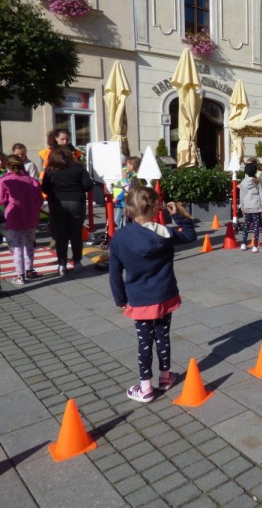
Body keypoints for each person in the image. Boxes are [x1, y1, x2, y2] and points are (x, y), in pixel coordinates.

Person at [109, 187, 196, 402]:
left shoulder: (120, 237)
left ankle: (145, 387)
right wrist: (178, 215)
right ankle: (165, 377)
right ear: (156, 208)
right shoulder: (164, 233)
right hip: (165, 294)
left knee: (144, 342)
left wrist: (120, 298)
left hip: (140, 298)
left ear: (129, 209)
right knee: (163, 336)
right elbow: (190, 235)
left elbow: (114, 272)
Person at [41, 145, 94, 275]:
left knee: (60, 235)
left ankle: (62, 263)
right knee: (76, 234)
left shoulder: (50, 170)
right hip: (76, 202)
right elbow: (88, 185)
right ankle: (77, 262)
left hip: (57, 203)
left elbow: (44, 188)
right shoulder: (78, 168)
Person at [0, 155, 44, 285]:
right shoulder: (32, 180)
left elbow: (1, 200)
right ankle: (29, 270)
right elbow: (40, 199)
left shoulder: (5, 180)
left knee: (17, 246)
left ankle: (20, 275)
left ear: (8, 166)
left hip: (15, 216)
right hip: (31, 216)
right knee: (29, 244)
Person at [238, 158, 262, 252]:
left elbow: (241, 196)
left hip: (247, 207)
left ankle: (243, 244)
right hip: (256, 207)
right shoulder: (258, 181)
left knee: (246, 225)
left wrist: (242, 207)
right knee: (256, 226)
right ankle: (255, 246)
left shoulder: (243, 182)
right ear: (255, 171)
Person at [111, 156, 141, 229]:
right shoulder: (132, 175)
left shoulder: (135, 177)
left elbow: (127, 189)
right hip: (127, 201)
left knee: (122, 221)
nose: (126, 166)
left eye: (127, 164)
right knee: (123, 220)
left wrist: (124, 179)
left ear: (132, 165)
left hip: (130, 202)